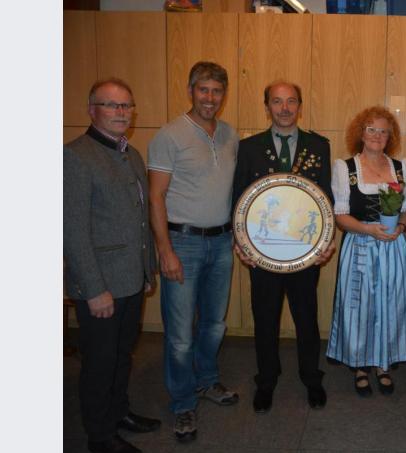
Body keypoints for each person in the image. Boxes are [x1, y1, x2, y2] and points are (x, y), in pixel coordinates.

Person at [64, 78, 160, 453]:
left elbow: (140, 218)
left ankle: (119, 413)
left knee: (123, 354)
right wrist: (94, 289)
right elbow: (72, 230)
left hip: (130, 279)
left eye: (126, 106)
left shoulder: (130, 153)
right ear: (92, 110)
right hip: (101, 286)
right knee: (99, 363)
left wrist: (145, 269)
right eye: (111, 105)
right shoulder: (75, 156)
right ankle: (100, 436)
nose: (121, 113)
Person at [148, 62, 240, 443]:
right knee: (181, 333)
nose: (210, 98)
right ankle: (183, 401)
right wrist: (165, 250)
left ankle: (207, 381)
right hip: (182, 242)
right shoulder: (169, 135)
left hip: (222, 242)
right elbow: (155, 196)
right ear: (191, 90)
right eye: (203, 90)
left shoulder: (231, 135)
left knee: (214, 324)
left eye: (217, 91)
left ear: (224, 94)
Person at [232, 80, 335, 413]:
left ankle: (311, 376)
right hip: (262, 253)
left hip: (304, 252)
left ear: (300, 105)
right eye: (277, 102)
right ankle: (267, 379)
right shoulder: (248, 148)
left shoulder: (319, 145)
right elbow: (239, 197)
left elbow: (325, 199)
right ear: (267, 107)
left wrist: (328, 240)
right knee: (265, 318)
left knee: (306, 317)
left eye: (291, 101)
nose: (285, 108)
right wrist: (239, 241)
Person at [325, 106, 406, 397]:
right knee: (360, 305)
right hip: (360, 245)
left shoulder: (401, 167)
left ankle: (384, 364)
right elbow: (340, 214)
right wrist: (369, 230)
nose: (377, 135)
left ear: (390, 135)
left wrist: (401, 228)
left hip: (392, 247)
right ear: (360, 133)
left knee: (390, 303)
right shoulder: (346, 168)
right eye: (371, 129)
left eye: (383, 130)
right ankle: (360, 366)